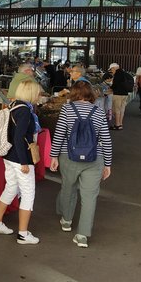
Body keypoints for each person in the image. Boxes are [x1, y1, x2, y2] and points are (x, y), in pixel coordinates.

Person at [49, 81, 112, 248]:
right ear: (91, 94)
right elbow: (106, 139)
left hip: (69, 156)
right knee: (89, 198)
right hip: (94, 159)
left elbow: (60, 134)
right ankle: (82, 235)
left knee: (68, 188)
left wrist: (53, 156)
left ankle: (67, 220)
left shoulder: (67, 109)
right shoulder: (99, 112)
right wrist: (108, 164)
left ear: (74, 93)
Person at [0, 79, 42, 245]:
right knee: (28, 194)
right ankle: (23, 233)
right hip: (20, 158)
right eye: (37, 92)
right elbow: (19, 138)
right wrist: (24, 162)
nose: (39, 95)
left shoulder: (13, 106)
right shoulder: (25, 111)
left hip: (9, 156)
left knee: (11, 188)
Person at [108, 63, 129, 130]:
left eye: (111, 69)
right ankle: (120, 124)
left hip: (118, 94)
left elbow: (115, 85)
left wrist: (110, 88)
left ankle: (117, 125)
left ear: (114, 68)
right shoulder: (124, 73)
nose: (111, 71)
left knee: (116, 110)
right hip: (125, 94)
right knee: (122, 109)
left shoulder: (117, 74)